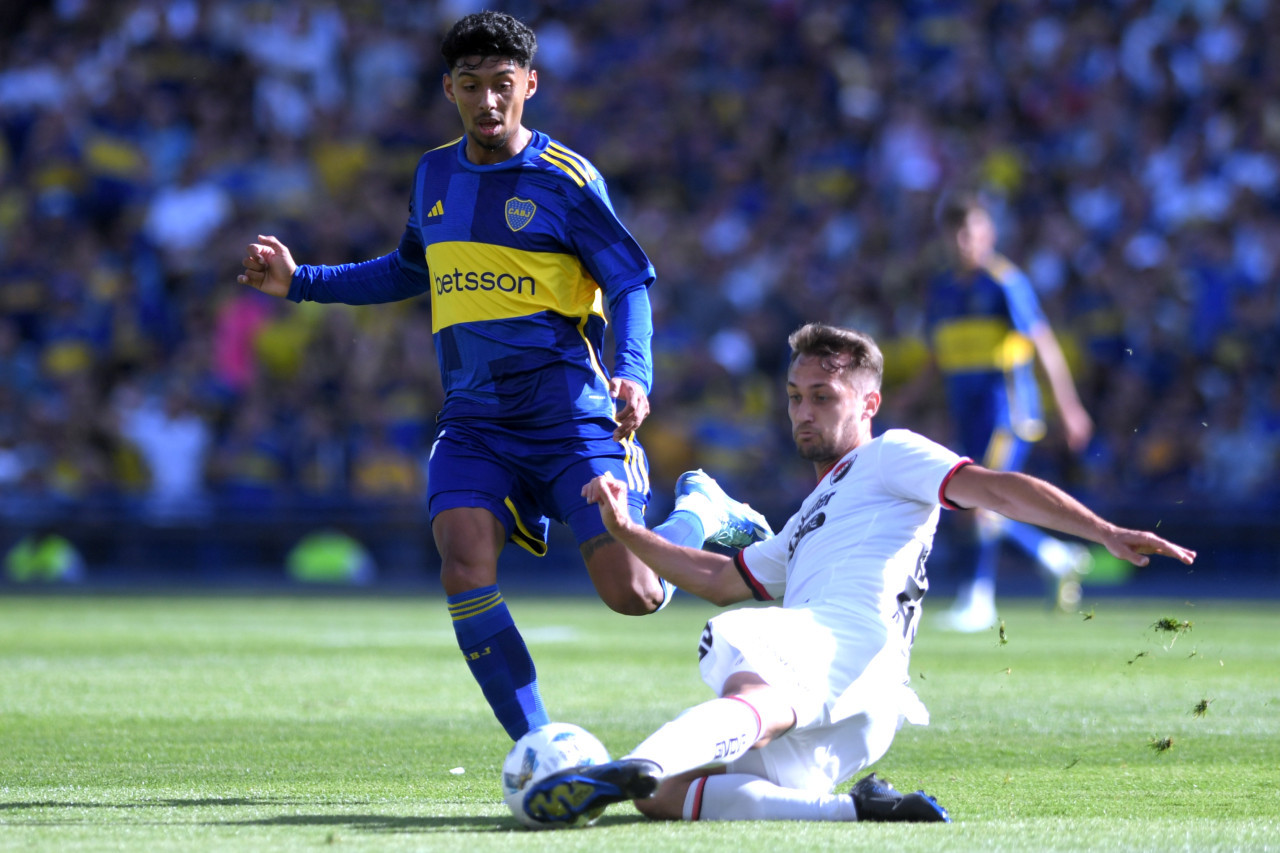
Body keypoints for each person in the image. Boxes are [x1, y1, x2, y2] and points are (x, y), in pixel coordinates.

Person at [235, 11, 770, 741]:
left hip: (570, 416)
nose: (488, 101)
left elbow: (630, 284)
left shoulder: (569, 180)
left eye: (503, 85)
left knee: (637, 593)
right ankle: (542, 749)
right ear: (448, 88)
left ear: (531, 85)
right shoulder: (432, 172)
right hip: (476, 420)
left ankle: (701, 511)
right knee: (462, 559)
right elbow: (406, 268)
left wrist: (633, 373)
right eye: (472, 85)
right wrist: (302, 282)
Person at [522, 322, 1195, 825]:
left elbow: (997, 489)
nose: (803, 411)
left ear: (869, 404)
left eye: (822, 395)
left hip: (842, 640)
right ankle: (857, 812)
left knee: (737, 667)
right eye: (793, 396)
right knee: (666, 800)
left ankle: (624, 765)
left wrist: (1103, 530)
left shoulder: (891, 454)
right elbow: (725, 576)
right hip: (867, 700)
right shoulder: (813, 511)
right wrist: (630, 534)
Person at [919, 190, 1097, 632]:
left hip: (1007, 413)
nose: (965, 241)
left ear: (988, 233)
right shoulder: (942, 290)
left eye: (972, 231)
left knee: (981, 503)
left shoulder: (1004, 282)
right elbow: (939, 358)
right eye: (957, 232)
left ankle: (978, 600)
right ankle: (1055, 556)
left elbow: (1044, 343)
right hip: (968, 414)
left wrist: (1069, 406)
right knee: (971, 502)